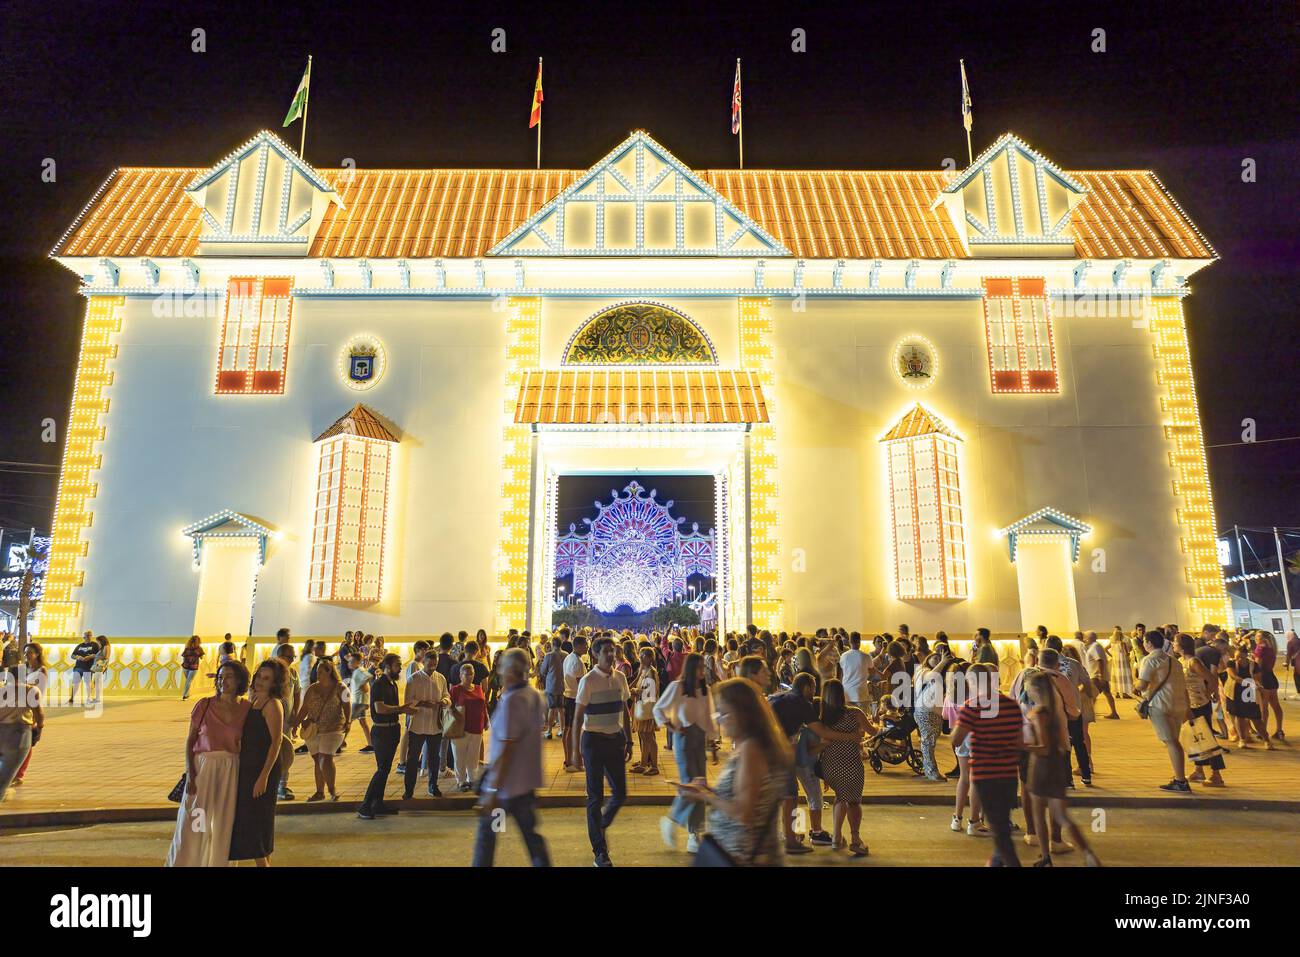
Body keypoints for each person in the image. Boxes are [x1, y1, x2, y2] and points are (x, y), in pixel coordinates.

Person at [673, 678, 790, 866]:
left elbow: (744, 812)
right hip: (739, 853)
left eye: (724, 713)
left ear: (743, 713)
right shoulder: (751, 745)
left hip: (741, 856)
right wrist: (709, 791)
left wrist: (706, 796)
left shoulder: (751, 749)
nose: (719, 719)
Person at [165, 660, 249, 866]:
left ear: (239, 680)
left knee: (224, 823)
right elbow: (190, 741)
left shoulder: (247, 709)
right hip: (203, 767)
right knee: (195, 822)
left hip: (231, 768)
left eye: (228, 676)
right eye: (220, 677)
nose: (223, 681)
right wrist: (191, 775)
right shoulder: (204, 705)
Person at [474, 647, 551, 867]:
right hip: (525, 786)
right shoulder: (534, 696)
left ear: (512, 671)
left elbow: (507, 749)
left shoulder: (513, 701)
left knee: (487, 836)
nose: (499, 673)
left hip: (505, 789)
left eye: (502, 668)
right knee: (531, 838)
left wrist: (492, 791)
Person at [1022, 670, 1100, 867]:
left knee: (1039, 814)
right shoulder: (1055, 710)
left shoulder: (1039, 714)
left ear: (1035, 690)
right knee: (1062, 816)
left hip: (1041, 768)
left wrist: (1022, 746)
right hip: (1058, 764)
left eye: (1028, 688)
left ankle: (1045, 857)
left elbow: (1044, 748)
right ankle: (1089, 854)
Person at [951, 664, 1023, 867]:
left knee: (1001, 832)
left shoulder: (971, 706)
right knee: (1002, 825)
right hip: (1009, 775)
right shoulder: (1011, 704)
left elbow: (956, 740)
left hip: (986, 775)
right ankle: (996, 861)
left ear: (974, 682)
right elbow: (1019, 743)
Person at [573, 634, 632, 867]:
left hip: (615, 740)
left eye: (613, 650)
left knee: (620, 793)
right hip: (593, 742)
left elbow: (625, 710)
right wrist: (576, 753)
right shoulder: (587, 681)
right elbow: (577, 717)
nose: (611, 654)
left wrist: (628, 740)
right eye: (606, 650)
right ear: (595, 654)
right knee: (595, 797)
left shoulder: (620, 678)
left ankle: (601, 824)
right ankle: (600, 851)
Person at [654, 652, 716, 852]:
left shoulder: (705, 690)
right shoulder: (677, 687)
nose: (702, 671)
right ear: (690, 668)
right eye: (698, 667)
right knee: (691, 785)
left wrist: (713, 745)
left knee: (700, 784)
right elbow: (659, 709)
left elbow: (708, 717)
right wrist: (672, 727)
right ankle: (672, 821)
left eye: (703, 667)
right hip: (684, 738)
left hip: (700, 739)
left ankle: (693, 834)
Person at [229, 659, 287, 866]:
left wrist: (263, 777)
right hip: (248, 767)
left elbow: (276, 741)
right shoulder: (252, 699)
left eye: (266, 678)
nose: (261, 682)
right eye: (259, 677)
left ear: (275, 683)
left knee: (256, 821)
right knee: (254, 820)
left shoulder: (273, 704)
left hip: (264, 768)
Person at [357, 653, 418, 820]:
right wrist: (402, 709)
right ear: (387, 667)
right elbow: (380, 709)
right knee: (382, 769)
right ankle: (365, 805)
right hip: (382, 732)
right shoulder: (379, 684)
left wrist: (401, 709)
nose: (399, 668)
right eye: (397, 665)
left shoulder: (392, 684)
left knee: (385, 769)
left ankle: (378, 803)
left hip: (391, 730)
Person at [817, 678, 873, 856]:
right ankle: (855, 839)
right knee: (854, 801)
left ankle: (836, 838)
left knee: (840, 796)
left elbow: (822, 741)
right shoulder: (854, 713)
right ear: (842, 694)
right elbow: (872, 731)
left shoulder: (822, 718)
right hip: (851, 764)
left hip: (830, 765)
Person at [1135, 631, 1191, 791]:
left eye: (1145, 642)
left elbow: (1142, 685)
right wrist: (1188, 706)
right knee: (1174, 741)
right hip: (1178, 704)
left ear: (1149, 643)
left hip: (1160, 705)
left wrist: (1135, 685)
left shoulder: (1149, 660)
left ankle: (1180, 781)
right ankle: (1179, 777)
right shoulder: (1175, 661)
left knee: (1171, 742)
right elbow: (1183, 685)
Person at [1176, 635, 1226, 787]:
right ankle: (1199, 769)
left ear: (1182, 646)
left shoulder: (1193, 662)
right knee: (1193, 737)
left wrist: (1209, 692)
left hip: (1199, 704)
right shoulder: (1180, 662)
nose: (1173, 645)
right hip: (1188, 704)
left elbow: (1211, 678)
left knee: (1207, 738)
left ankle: (1216, 774)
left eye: (1175, 643)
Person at [297, 657, 349, 801]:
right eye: (317, 671)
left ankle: (332, 790)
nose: (317, 674)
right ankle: (320, 792)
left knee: (325, 758)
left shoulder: (341, 687)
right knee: (317, 760)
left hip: (333, 728)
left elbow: (347, 705)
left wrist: (348, 722)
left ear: (329, 672)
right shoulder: (312, 688)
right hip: (313, 729)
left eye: (321, 671)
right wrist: (297, 722)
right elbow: (304, 708)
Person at [399, 650, 449, 799]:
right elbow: (408, 701)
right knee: (413, 758)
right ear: (424, 662)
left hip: (435, 725)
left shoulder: (440, 678)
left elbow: (447, 695)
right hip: (417, 725)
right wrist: (422, 703)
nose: (432, 667)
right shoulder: (414, 679)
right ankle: (409, 790)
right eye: (430, 665)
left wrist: (444, 702)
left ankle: (433, 786)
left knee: (434, 758)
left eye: (435, 665)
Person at [11, 643, 49, 787]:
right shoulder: (24, 668)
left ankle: (20, 774)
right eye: (26, 652)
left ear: (37, 654)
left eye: (30, 653)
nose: (27, 655)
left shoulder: (41, 670)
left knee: (27, 742)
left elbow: (39, 691)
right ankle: (15, 771)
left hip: (31, 707)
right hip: (18, 706)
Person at [449, 662, 489, 791]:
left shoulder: (478, 688)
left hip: (477, 726)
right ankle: (461, 780)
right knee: (459, 755)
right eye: (466, 675)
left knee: (473, 755)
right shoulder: (456, 689)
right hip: (461, 728)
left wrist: (487, 719)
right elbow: (450, 707)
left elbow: (483, 705)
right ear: (460, 675)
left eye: (471, 674)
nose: (469, 677)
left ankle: (471, 778)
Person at [913, 648, 947, 781]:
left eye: (940, 658)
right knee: (928, 743)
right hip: (925, 711)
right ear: (928, 659)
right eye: (935, 658)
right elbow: (931, 676)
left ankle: (930, 770)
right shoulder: (923, 670)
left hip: (930, 711)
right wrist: (943, 661)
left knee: (930, 742)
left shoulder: (935, 673)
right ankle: (932, 772)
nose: (938, 660)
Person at [630, 647, 660, 776]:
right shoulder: (644, 671)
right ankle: (643, 763)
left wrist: (636, 692)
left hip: (648, 709)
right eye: (640, 655)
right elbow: (636, 684)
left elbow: (651, 693)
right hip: (642, 708)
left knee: (649, 737)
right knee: (643, 736)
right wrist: (638, 675)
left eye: (643, 656)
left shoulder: (651, 672)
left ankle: (654, 766)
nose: (640, 658)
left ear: (650, 658)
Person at [562, 634, 589, 771]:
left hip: (569, 696)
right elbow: (580, 683)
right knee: (573, 730)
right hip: (574, 697)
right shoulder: (577, 662)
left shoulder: (569, 657)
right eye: (585, 644)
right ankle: (573, 761)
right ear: (578, 645)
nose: (587, 646)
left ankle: (569, 759)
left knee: (568, 729)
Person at [1253, 632, 1284, 739]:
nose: (1255, 638)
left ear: (1261, 638)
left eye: (1257, 636)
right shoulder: (1271, 649)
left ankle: (1263, 731)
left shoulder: (1259, 649)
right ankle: (1279, 730)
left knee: (1263, 707)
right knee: (1276, 705)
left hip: (1263, 679)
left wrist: (1257, 681)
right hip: (1271, 677)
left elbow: (1257, 666)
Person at [1083, 630, 1119, 718]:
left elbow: (1100, 661)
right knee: (1106, 693)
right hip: (1099, 675)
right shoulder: (1095, 646)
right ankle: (1114, 713)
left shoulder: (1095, 647)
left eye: (1085, 638)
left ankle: (1089, 713)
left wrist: (1101, 676)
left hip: (1096, 676)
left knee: (1091, 695)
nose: (1084, 640)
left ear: (1088, 638)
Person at [537, 637, 565, 740]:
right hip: (563, 686)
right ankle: (562, 730)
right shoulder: (566, 655)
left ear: (553, 645)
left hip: (552, 685)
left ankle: (549, 731)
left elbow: (543, 671)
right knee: (561, 709)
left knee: (552, 709)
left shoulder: (549, 656)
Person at [66, 631, 99, 706]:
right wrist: (78, 657)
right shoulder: (79, 645)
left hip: (88, 667)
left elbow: (98, 654)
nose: (87, 637)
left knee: (88, 684)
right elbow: (72, 655)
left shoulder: (95, 645)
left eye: (89, 635)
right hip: (78, 667)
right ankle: (72, 698)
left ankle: (88, 698)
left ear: (91, 636)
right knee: (75, 683)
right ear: (83, 637)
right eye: (85, 636)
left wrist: (90, 656)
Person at [1108, 626, 1135, 698]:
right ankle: (1124, 692)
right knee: (1124, 676)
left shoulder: (1112, 641)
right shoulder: (1123, 642)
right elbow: (1127, 653)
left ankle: (1116, 692)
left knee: (1116, 676)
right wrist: (1128, 655)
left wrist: (1112, 655)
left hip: (1115, 661)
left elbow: (1105, 649)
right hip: (1123, 661)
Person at [180, 636, 204, 700]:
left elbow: (183, 656)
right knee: (188, 681)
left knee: (188, 681)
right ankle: (185, 695)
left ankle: (186, 694)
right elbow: (202, 657)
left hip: (185, 666)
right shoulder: (199, 649)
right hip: (194, 667)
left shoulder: (187, 648)